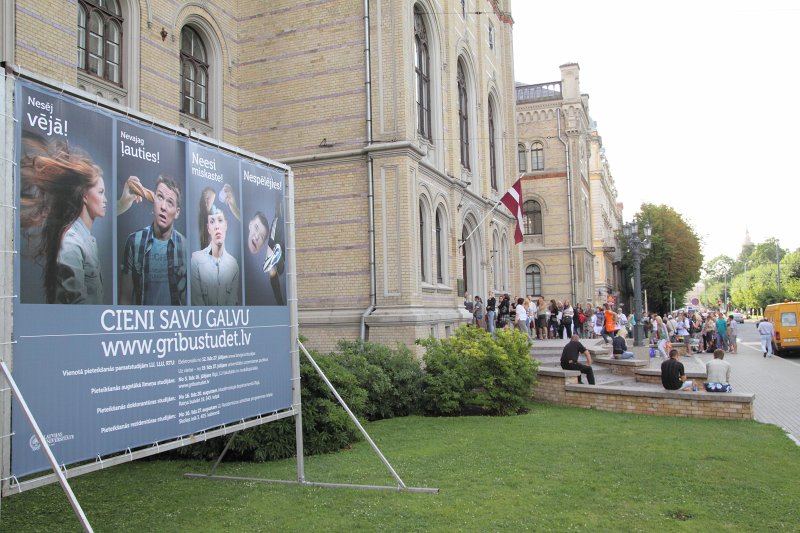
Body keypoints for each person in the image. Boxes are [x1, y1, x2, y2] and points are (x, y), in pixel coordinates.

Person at [20, 134, 107, 304]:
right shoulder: (72, 245)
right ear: (84, 196)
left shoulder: (85, 239)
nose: (106, 200)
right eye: (101, 193)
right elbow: (78, 310)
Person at [119, 175, 187, 305]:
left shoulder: (185, 247)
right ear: (153, 200)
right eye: (160, 197)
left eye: (170, 202)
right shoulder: (134, 242)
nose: (163, 207)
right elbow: (125, 300)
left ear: (177, 212)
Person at [191, 205, 241, 306]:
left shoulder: (233, 265)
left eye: (220, 220)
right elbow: (196, 304)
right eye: (212, 222)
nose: (217, 226)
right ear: (208, 228)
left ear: (226, 225)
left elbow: (232, 306)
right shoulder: (196, 260)